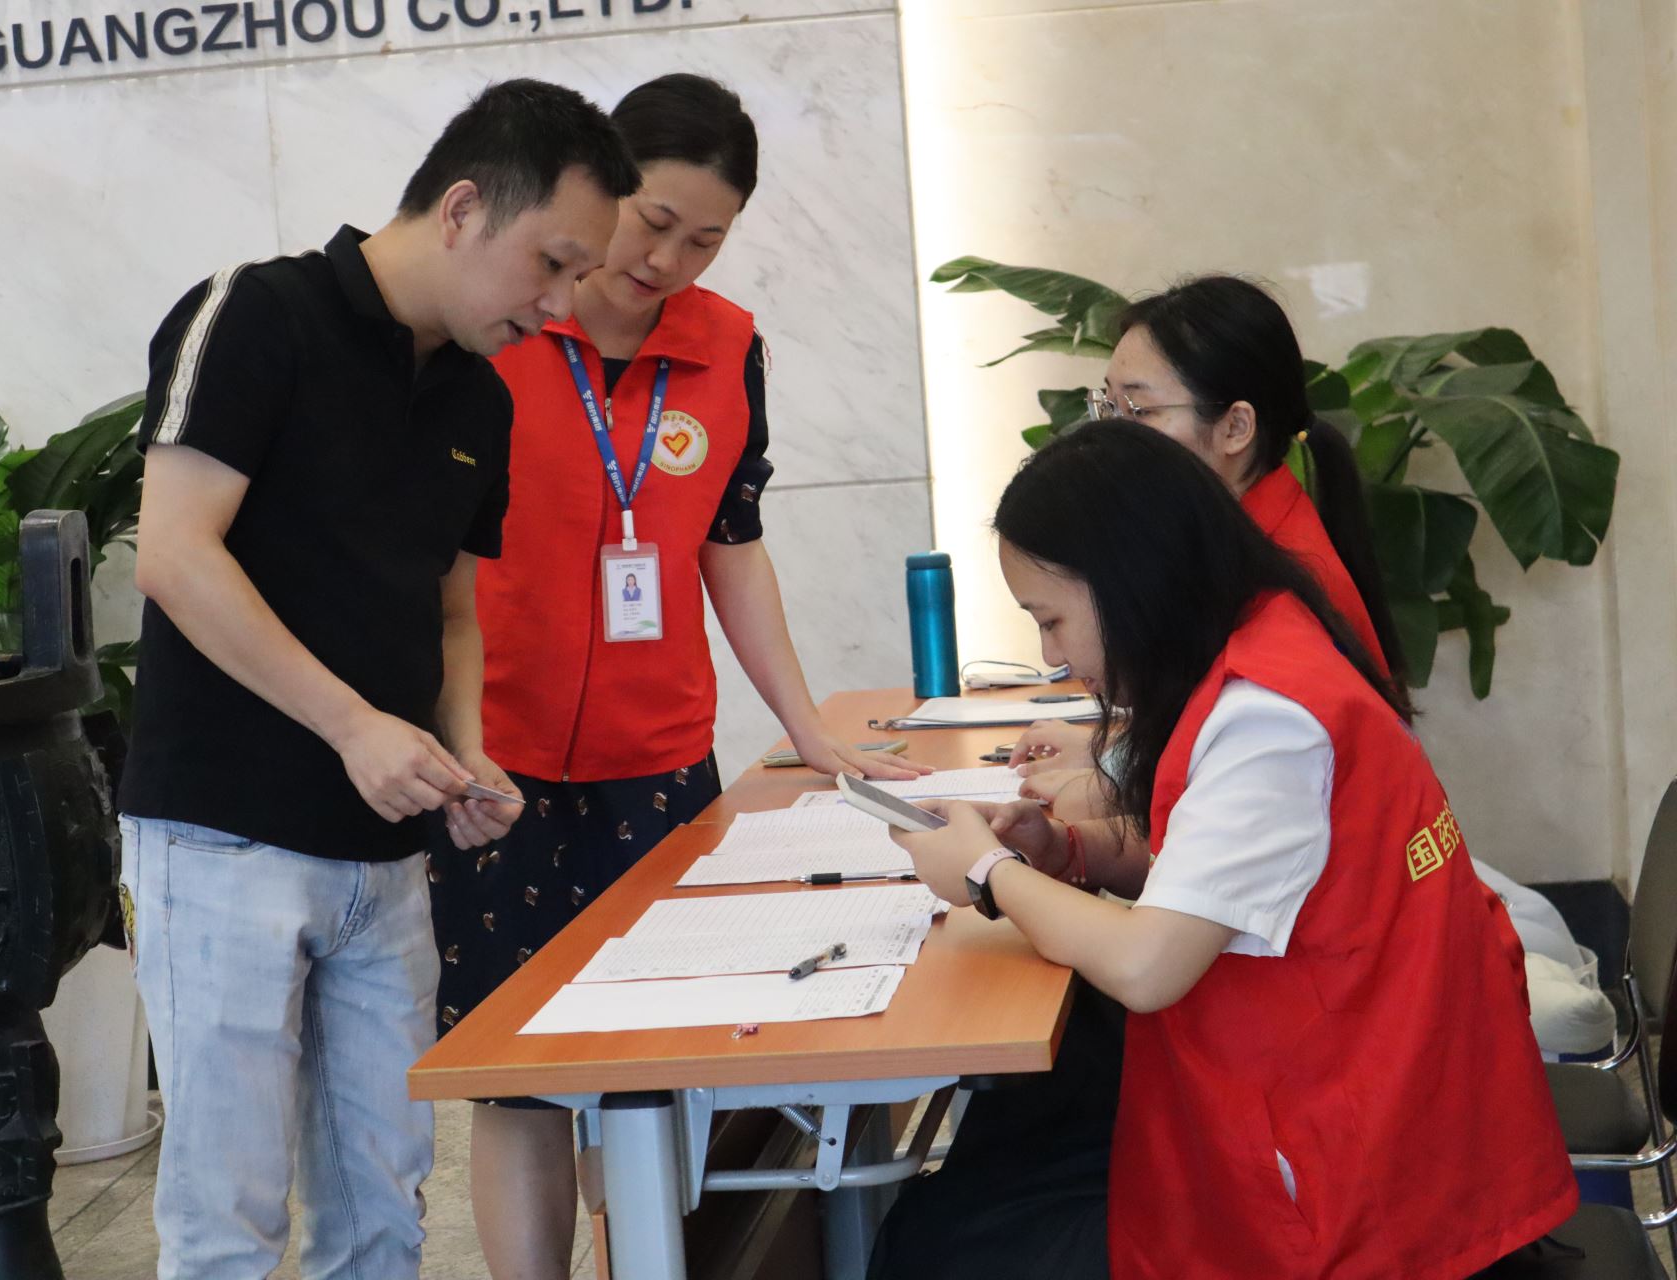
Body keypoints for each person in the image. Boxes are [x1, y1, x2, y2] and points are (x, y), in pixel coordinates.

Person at [115, 80, 638, 1280]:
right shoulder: (256, 312)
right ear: (462, 208)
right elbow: (175, 554)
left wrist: (464, 749)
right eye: (551, 263)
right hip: (222, 835)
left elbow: (452, 609)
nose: (561, 306)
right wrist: (355, 725)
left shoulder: (480, 397)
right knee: (228, 1223)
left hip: (386, 856)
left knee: (382, 1216)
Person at [426, 72, 930, 1280]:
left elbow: (731, 543)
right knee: (523, 1077)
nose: (667, 261)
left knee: (654, 1065)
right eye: (653, 222)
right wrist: (446, 738)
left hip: (656, 761)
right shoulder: (502, 330)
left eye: (705, 240)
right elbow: (436, 564)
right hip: (499, 763)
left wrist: (805, 723)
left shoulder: (726, 347)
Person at [869, 421, 1575, 1279]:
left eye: (1051, 622)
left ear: (1128, 581)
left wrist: (989, 872)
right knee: (1000, 1163)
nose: (1051, 657)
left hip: (1355, 1187)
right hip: (1367, 1107)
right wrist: (1070, 852)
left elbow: (1148, 967)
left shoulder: (1265, 719)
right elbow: (1232, 877)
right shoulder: (1268, 640)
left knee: (941, 1244)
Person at [1010, 275, 1405, 781]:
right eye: (1107, 407)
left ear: (1235, 428)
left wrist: (1108, 782)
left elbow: (1255, 763)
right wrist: (1114, 753)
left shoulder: (1279, 576)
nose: (1112, 436)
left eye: (1139, 411)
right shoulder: (1233, 540)